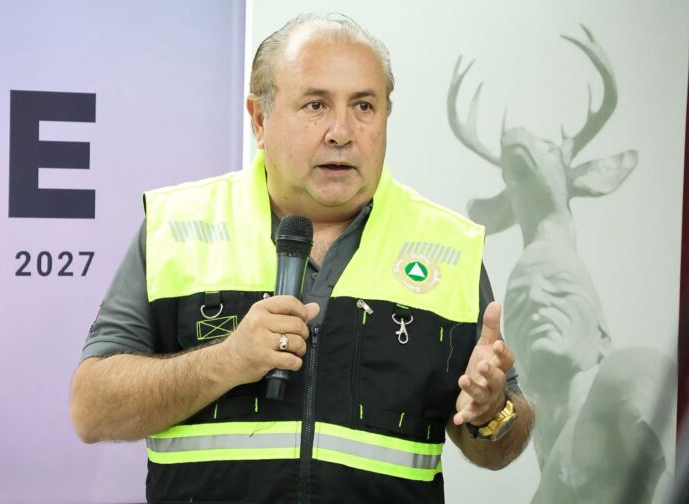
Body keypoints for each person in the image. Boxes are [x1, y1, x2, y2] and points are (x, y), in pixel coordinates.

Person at [70, 14, 533, 503]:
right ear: (259, 119)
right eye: (316, 105)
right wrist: (226, 361)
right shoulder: (178, 227)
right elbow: (91, 410)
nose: (342, 132)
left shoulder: (448, 246)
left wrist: (492, 412)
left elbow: (500, 445)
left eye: (364, 106)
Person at [503, 240, 674, 503]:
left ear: (601, 328)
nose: (535, 298)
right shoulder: (543, 483)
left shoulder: (625, 371)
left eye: (559, 286)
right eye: (517, 298)